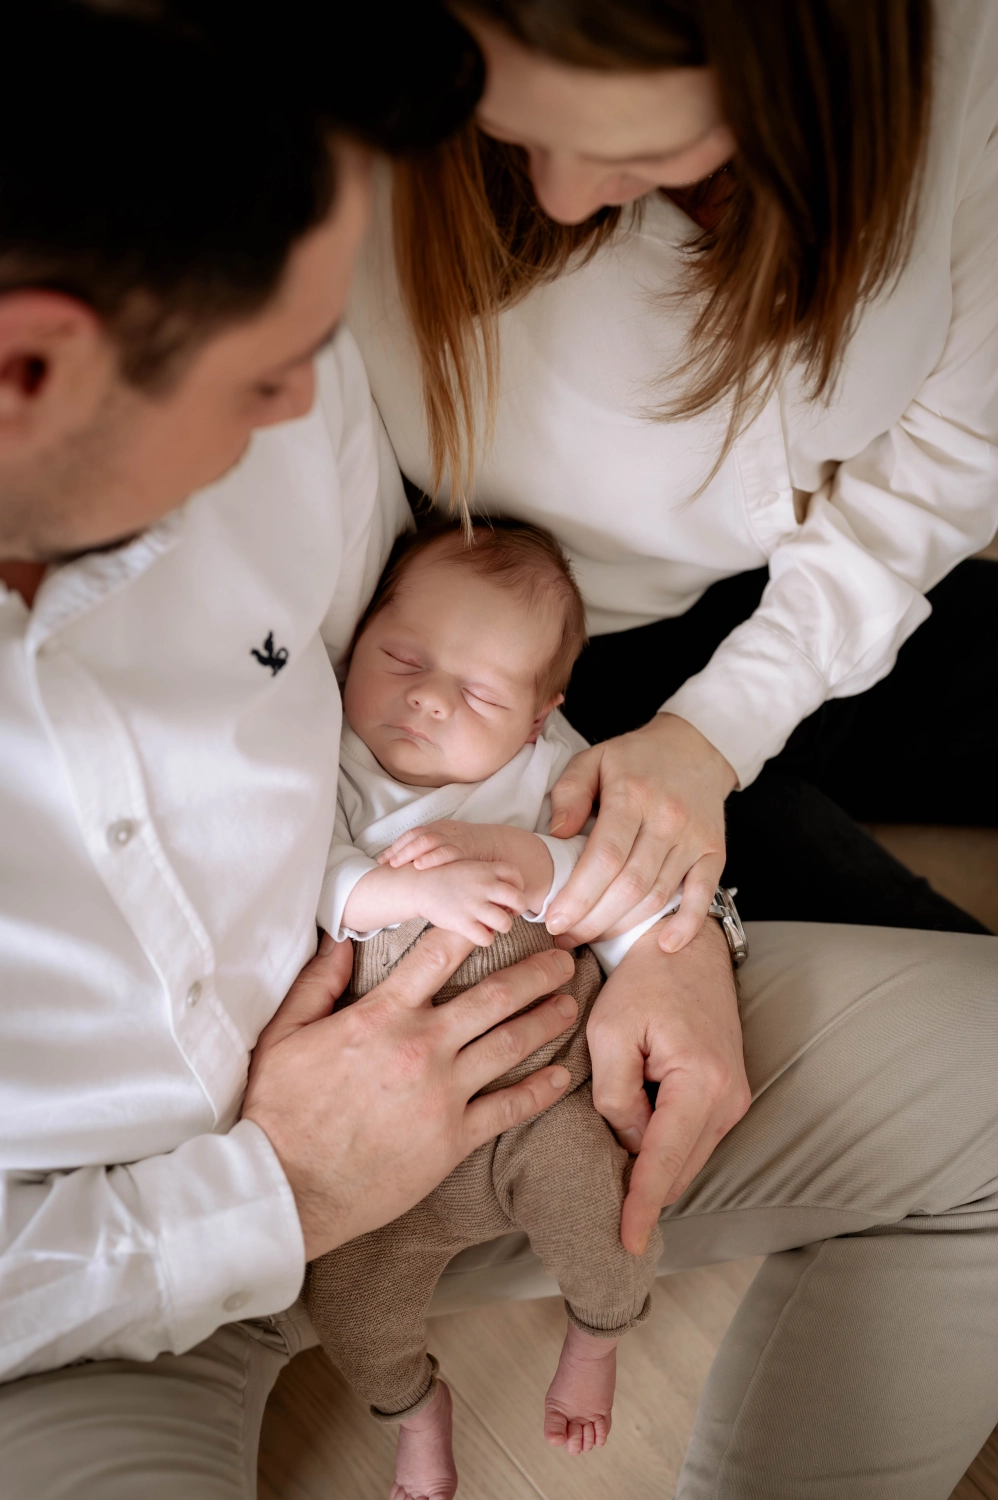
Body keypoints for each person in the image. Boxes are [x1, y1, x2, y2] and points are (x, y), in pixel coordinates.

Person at [0, 3, 586, 1493]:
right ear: (32, 373)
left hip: (487, 1074)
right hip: (85, 1322)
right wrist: (280, 1187)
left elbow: (445, 690)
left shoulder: (286, 431)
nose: (307, 407)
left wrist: (649, 899)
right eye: (275, 365)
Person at [349, 0, 998, 957]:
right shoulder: (373, 106)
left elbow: (958, 441)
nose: (565, 199)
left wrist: (725, 725)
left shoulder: (949, 38)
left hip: (817, 583)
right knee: (949, 978)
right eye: (516, 129)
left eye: (644, 150)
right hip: (536, 655)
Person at [305, 518, 678, 1500]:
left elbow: (619, 887)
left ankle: (594, 1337)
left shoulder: (551, 769)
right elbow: (315, 882)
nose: (424, 696)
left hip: (542, 1097)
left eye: (475, 693)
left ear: (535, 717)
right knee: (346, 1305)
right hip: (375, 1147)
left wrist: (536, 867)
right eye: (401, 657)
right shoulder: (326, 754)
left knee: (608, 1216)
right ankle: (411, 1407)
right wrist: (405, 898)